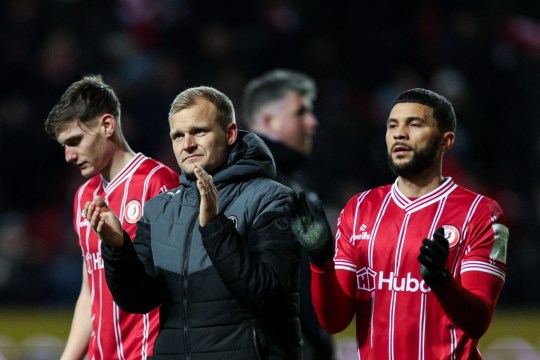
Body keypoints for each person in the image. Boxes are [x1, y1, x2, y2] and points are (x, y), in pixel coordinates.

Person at [83, 86, 302, 359]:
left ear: (230, 133)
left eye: (199, 131)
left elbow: (267, 293)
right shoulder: (161, 209)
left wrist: (214, 225)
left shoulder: (273, 199)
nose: (187, 144)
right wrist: (118, 249)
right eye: (178, 136)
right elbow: (138, 300)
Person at [299, 88, 509, 359]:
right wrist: (321, 263)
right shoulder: (360, 209)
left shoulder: (481, 213)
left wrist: (441, 282)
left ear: (446, 141)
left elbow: (478, 322)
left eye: (415, 124)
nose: (400, 133)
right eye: (392, 125)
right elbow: (335, 321)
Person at [44, 75, 180, 360]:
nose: (68, 155)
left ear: (107, 125)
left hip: (148, 353)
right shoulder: (84, 196)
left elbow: (177, 288)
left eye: (75, 140)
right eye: (64, 146)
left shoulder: (158, 183)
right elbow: (89, 290)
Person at [242, 68, 335, 360]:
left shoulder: (285, 177)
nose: (312, 121)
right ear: (269, 120)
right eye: (301, 112)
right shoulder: (263, 183)